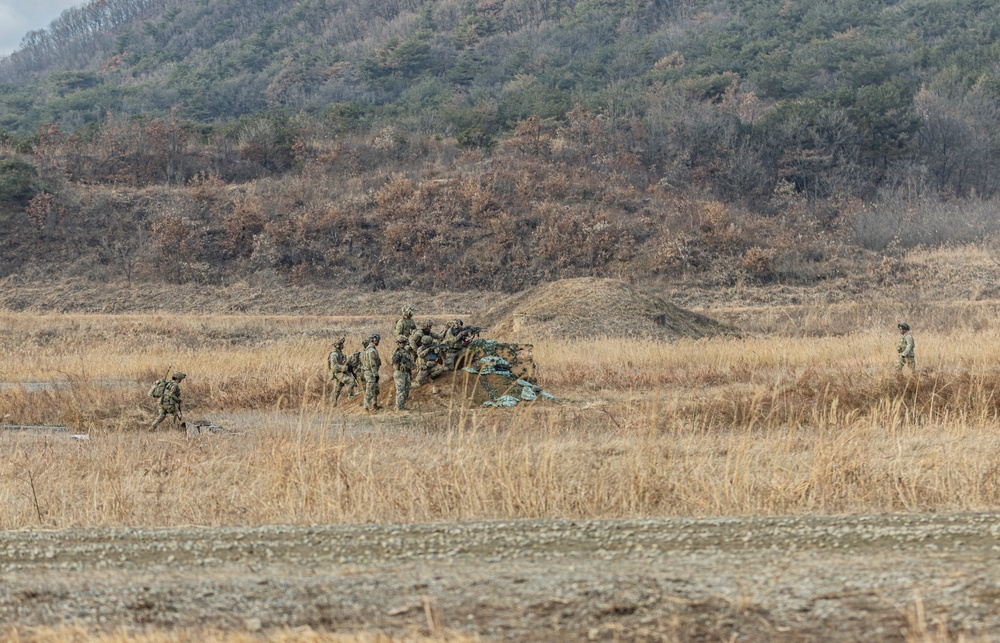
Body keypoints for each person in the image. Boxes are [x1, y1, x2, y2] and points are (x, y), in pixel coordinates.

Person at [326, 337, 357, 406]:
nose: (343, 346)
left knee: (337, 389)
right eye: (342, 344)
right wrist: (346, 368)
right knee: (351, 381)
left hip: (341, 372)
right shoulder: (334, 354)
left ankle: (332, 404)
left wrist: (353, 356)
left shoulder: (339, 353)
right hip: (337, 373)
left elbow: (345, 359)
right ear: (338, 345)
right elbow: (334, 367)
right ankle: (351, 398)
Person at [391, 335, 416, 410]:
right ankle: (398, 407)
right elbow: (393, 361)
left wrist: (410, 374)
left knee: (407, 390)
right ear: (398, 343)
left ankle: (402, 406)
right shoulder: (396, 352)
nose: (402, 344)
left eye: (403, 342)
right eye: (400, 342)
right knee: (400, 390)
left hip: (406, 372)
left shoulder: (407, 352)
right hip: (399, 372)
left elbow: (410, 363)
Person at [360, 333, 382, 411]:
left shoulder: (368, 350)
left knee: (375, 389)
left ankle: (374, 405)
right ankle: (366, 407)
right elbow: (372, 363)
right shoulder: (371, 351)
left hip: (369, 372)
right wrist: (375, 374)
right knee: (369, 390)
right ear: (373, 340)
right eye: (377, 340)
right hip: (371, 373)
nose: (378, 341)